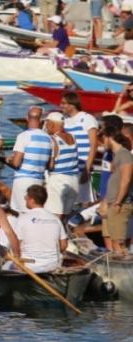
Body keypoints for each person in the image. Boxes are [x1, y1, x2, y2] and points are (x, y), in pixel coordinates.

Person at [10, 184, 69, 274]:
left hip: (30, 266)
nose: (25, 199)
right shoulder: (55, 218)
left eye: (26, 197)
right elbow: (64, 245)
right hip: (53, 265)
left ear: (32, 200)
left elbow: (16, 244)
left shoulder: (23, 218)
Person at [8, 106, 52, 209]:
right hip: (38, 182)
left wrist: (9, 160)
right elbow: (49, 165)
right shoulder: (48, 139)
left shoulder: (23, 136)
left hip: (23, 180)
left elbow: (16, 163)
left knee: (21, 213)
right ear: (41, 121)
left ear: (27, 118)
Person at [100, 125, 133, 259]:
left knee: (119, 245)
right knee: (115, 241)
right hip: (113, 202)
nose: (102, 142)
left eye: (103, 138)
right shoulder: (118, 155)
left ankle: (124, 276)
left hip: (120, 204)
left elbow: (126, 179)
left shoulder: (124, 155)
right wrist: (106, 201)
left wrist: (118, 202)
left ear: (109, 138)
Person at [61, 90, 100, 200]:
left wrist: (86, 170)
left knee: (84, 200)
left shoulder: (87, 118)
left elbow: (94, 145)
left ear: (72, 105)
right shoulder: (65, 121)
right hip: (69, 168)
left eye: (63, 103)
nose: (61, 106)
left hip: (83, 167)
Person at [43, 110, 82, 216]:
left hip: (58, 180)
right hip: (73, 180)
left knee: (54, 215)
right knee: (65, 214)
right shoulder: (72, 137)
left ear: (51, 124)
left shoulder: (53, 140)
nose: (46, 126)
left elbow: (51, 164)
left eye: (47, 123)